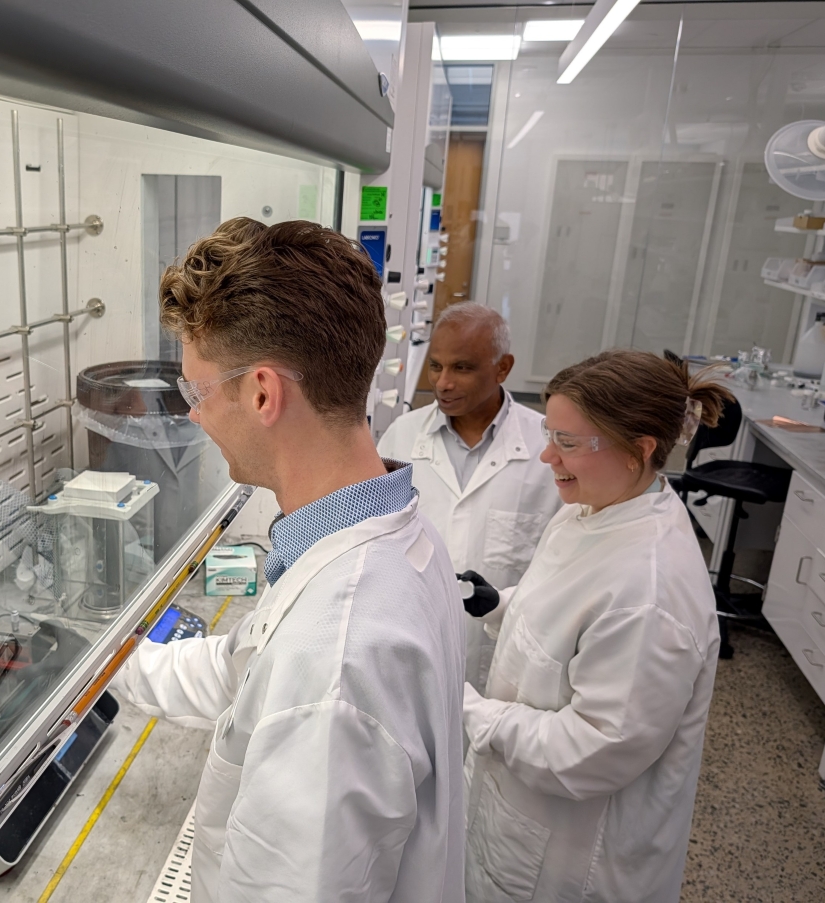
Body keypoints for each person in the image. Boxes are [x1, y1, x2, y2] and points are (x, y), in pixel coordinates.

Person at [114, 218, 466, 903]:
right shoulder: (385, 527)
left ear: (264, 393)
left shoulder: (335, 655)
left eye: (197, 392)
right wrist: (104, 664)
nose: (194, 417)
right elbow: (245, 664)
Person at [459, 350, 729, 903]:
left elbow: (593, 750)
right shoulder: (597, 505)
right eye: (550, 434)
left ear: (641, 449)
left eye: (568, 443)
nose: (545, 456)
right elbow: (567, 617)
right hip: (520, 820)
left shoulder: (651, 594)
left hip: (573, 860)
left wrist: (469, 711)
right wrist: (500, 606)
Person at [378, 303, 561, 692]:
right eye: (436, 366)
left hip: (502, 654)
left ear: (503, 368)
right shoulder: (402, 437)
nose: (443, 383)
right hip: (412, 640)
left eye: (462, 368)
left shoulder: (546, 450)